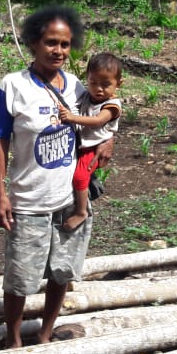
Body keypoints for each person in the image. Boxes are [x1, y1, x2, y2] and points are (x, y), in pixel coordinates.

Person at [0, 6, 113, 348]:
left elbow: (104, 114)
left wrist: (110, 138)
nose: (58, 51)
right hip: (28, 201)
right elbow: (0, 140)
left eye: (66, 44)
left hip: (68, 200)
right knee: (19, 280)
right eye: (51, 42)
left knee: (61, 273)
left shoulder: (75, 87)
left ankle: (44, 334)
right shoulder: (13, 86)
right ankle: (13, 340)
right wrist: (0, 192)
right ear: (33, 43)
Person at [57, 53, 123, 231]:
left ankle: (81, 211)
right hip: (83, 144)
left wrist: (72, 118)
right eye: (93, 83)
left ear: (119, 84)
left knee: (80, 176)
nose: (99, 89)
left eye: (105, 84)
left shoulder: (112, 105)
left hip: (93, 148)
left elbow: (99, 121)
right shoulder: (86, 96)